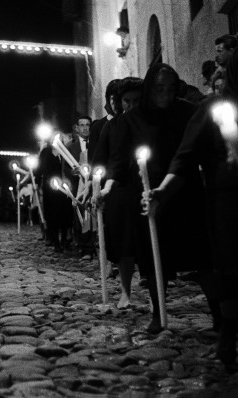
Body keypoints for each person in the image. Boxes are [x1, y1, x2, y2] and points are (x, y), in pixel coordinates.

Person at [146, 41, 238, 372]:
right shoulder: (216, 107)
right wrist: (163, 189)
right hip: (229, 204)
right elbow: (186, 157)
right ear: (235, 73)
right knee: (234, 271)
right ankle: (227, 331)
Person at [110, 63, 216, 334]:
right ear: (149, 88)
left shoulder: (187, 112)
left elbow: (200, 149)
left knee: (202, 256)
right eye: (159, 88)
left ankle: (218, 313)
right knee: (153, 257)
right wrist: (112, 185)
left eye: (170, 88)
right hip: (147, 197)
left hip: (185, 191)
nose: (166, 95)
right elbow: (120, 161)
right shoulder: (131, 119)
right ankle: (158, 313)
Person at [92, 77, 143, 308]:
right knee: (124, 244)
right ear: (119, 102)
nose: (131, 106)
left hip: (143, 188)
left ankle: (154, 292)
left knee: (145, 242)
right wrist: (97, 187)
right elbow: (102, 160)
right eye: (127, 101)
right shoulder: (111, 127)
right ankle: (125, 291)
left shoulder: (148, 125)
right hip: (120, 191)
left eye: (136, 101)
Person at [36, 131, 73, 252]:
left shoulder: (66, 152)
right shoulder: (45, 152)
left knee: (65, 214)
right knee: (52, 215)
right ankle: (55, 242)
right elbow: (39, 169)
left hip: (64, 187)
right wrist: (36, 184)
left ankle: (64, 240)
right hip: (50, 189)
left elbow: (71, 166)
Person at [65, 116, 94, 259]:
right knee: (82, 216)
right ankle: (86, 248)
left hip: (94, 182)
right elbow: (65, 169)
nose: (85, 128)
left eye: (88, 125)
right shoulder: (71, 146)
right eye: (82, 125)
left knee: (94, 214)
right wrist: (72, 173)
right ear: (77, 128)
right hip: (78, 185)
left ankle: (95, 244)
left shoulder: (97, 142)